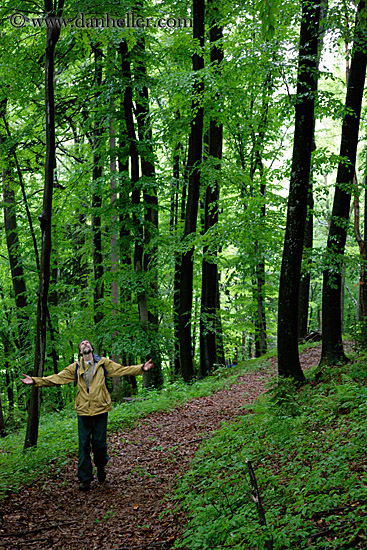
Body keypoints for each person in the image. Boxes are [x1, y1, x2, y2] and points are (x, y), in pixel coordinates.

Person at [21, 339, 153, 491]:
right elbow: (58, 378)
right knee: (83, 446)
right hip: (83, 412)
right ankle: (85, 479)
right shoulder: (76, 367)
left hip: (100, 411)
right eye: (82, 344)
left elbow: (122, 370)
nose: (85, 344)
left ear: (91, 348)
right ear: (79, 351)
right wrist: (36, 381)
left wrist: (141, 368)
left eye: (87, 343)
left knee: (100, 446)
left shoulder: (104, 364)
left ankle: (101, 467)